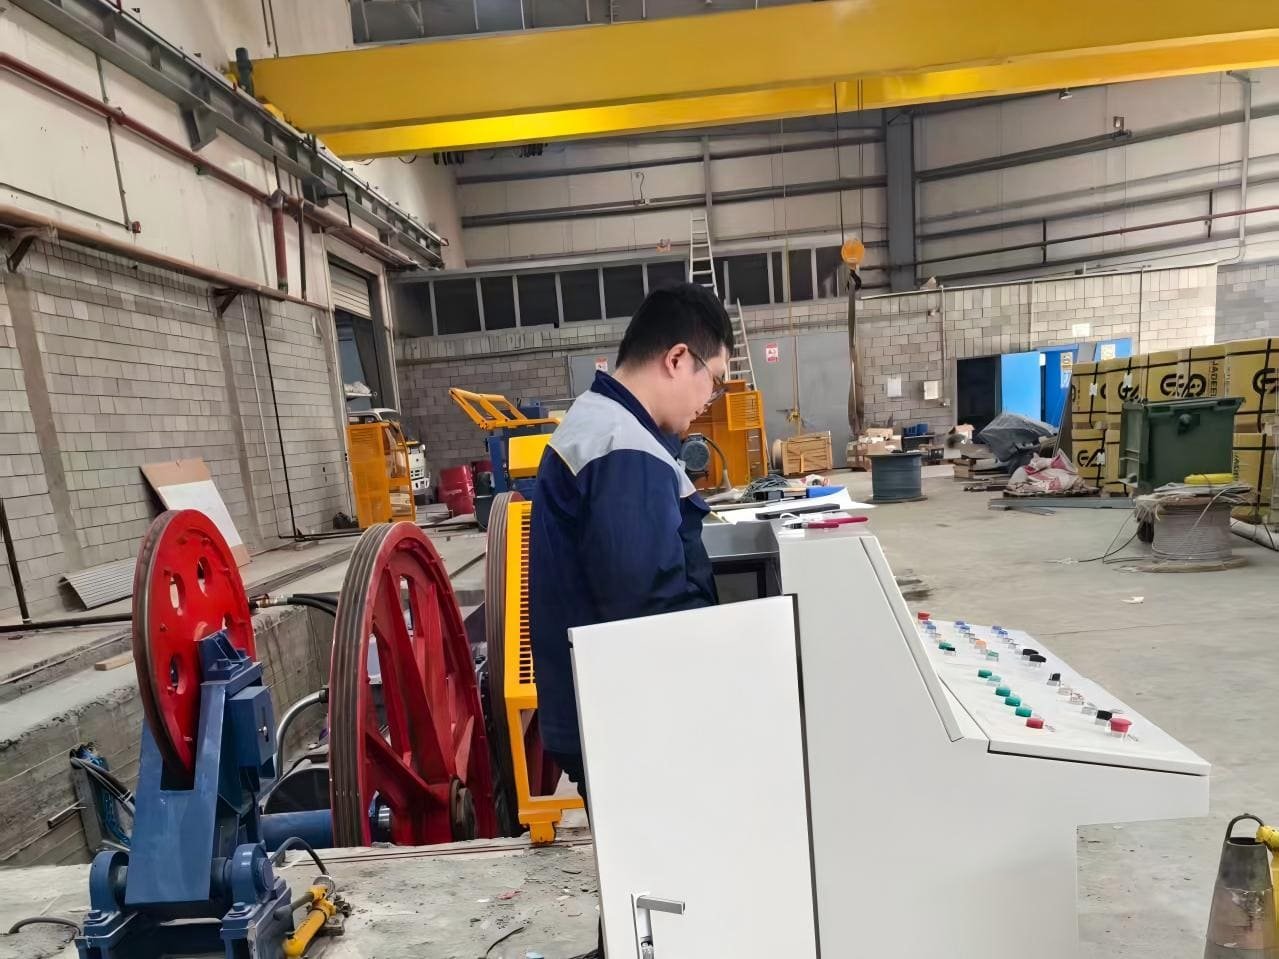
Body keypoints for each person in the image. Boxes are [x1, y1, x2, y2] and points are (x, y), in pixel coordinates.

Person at [527, 284, 731, 951]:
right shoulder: (625, 448)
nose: (709, 404)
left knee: (637, 874)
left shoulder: (604, 425)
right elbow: (647, 608)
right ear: (678, 359)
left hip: (594, 708)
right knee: (661, 878)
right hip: (623, 715)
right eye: (714, 381)